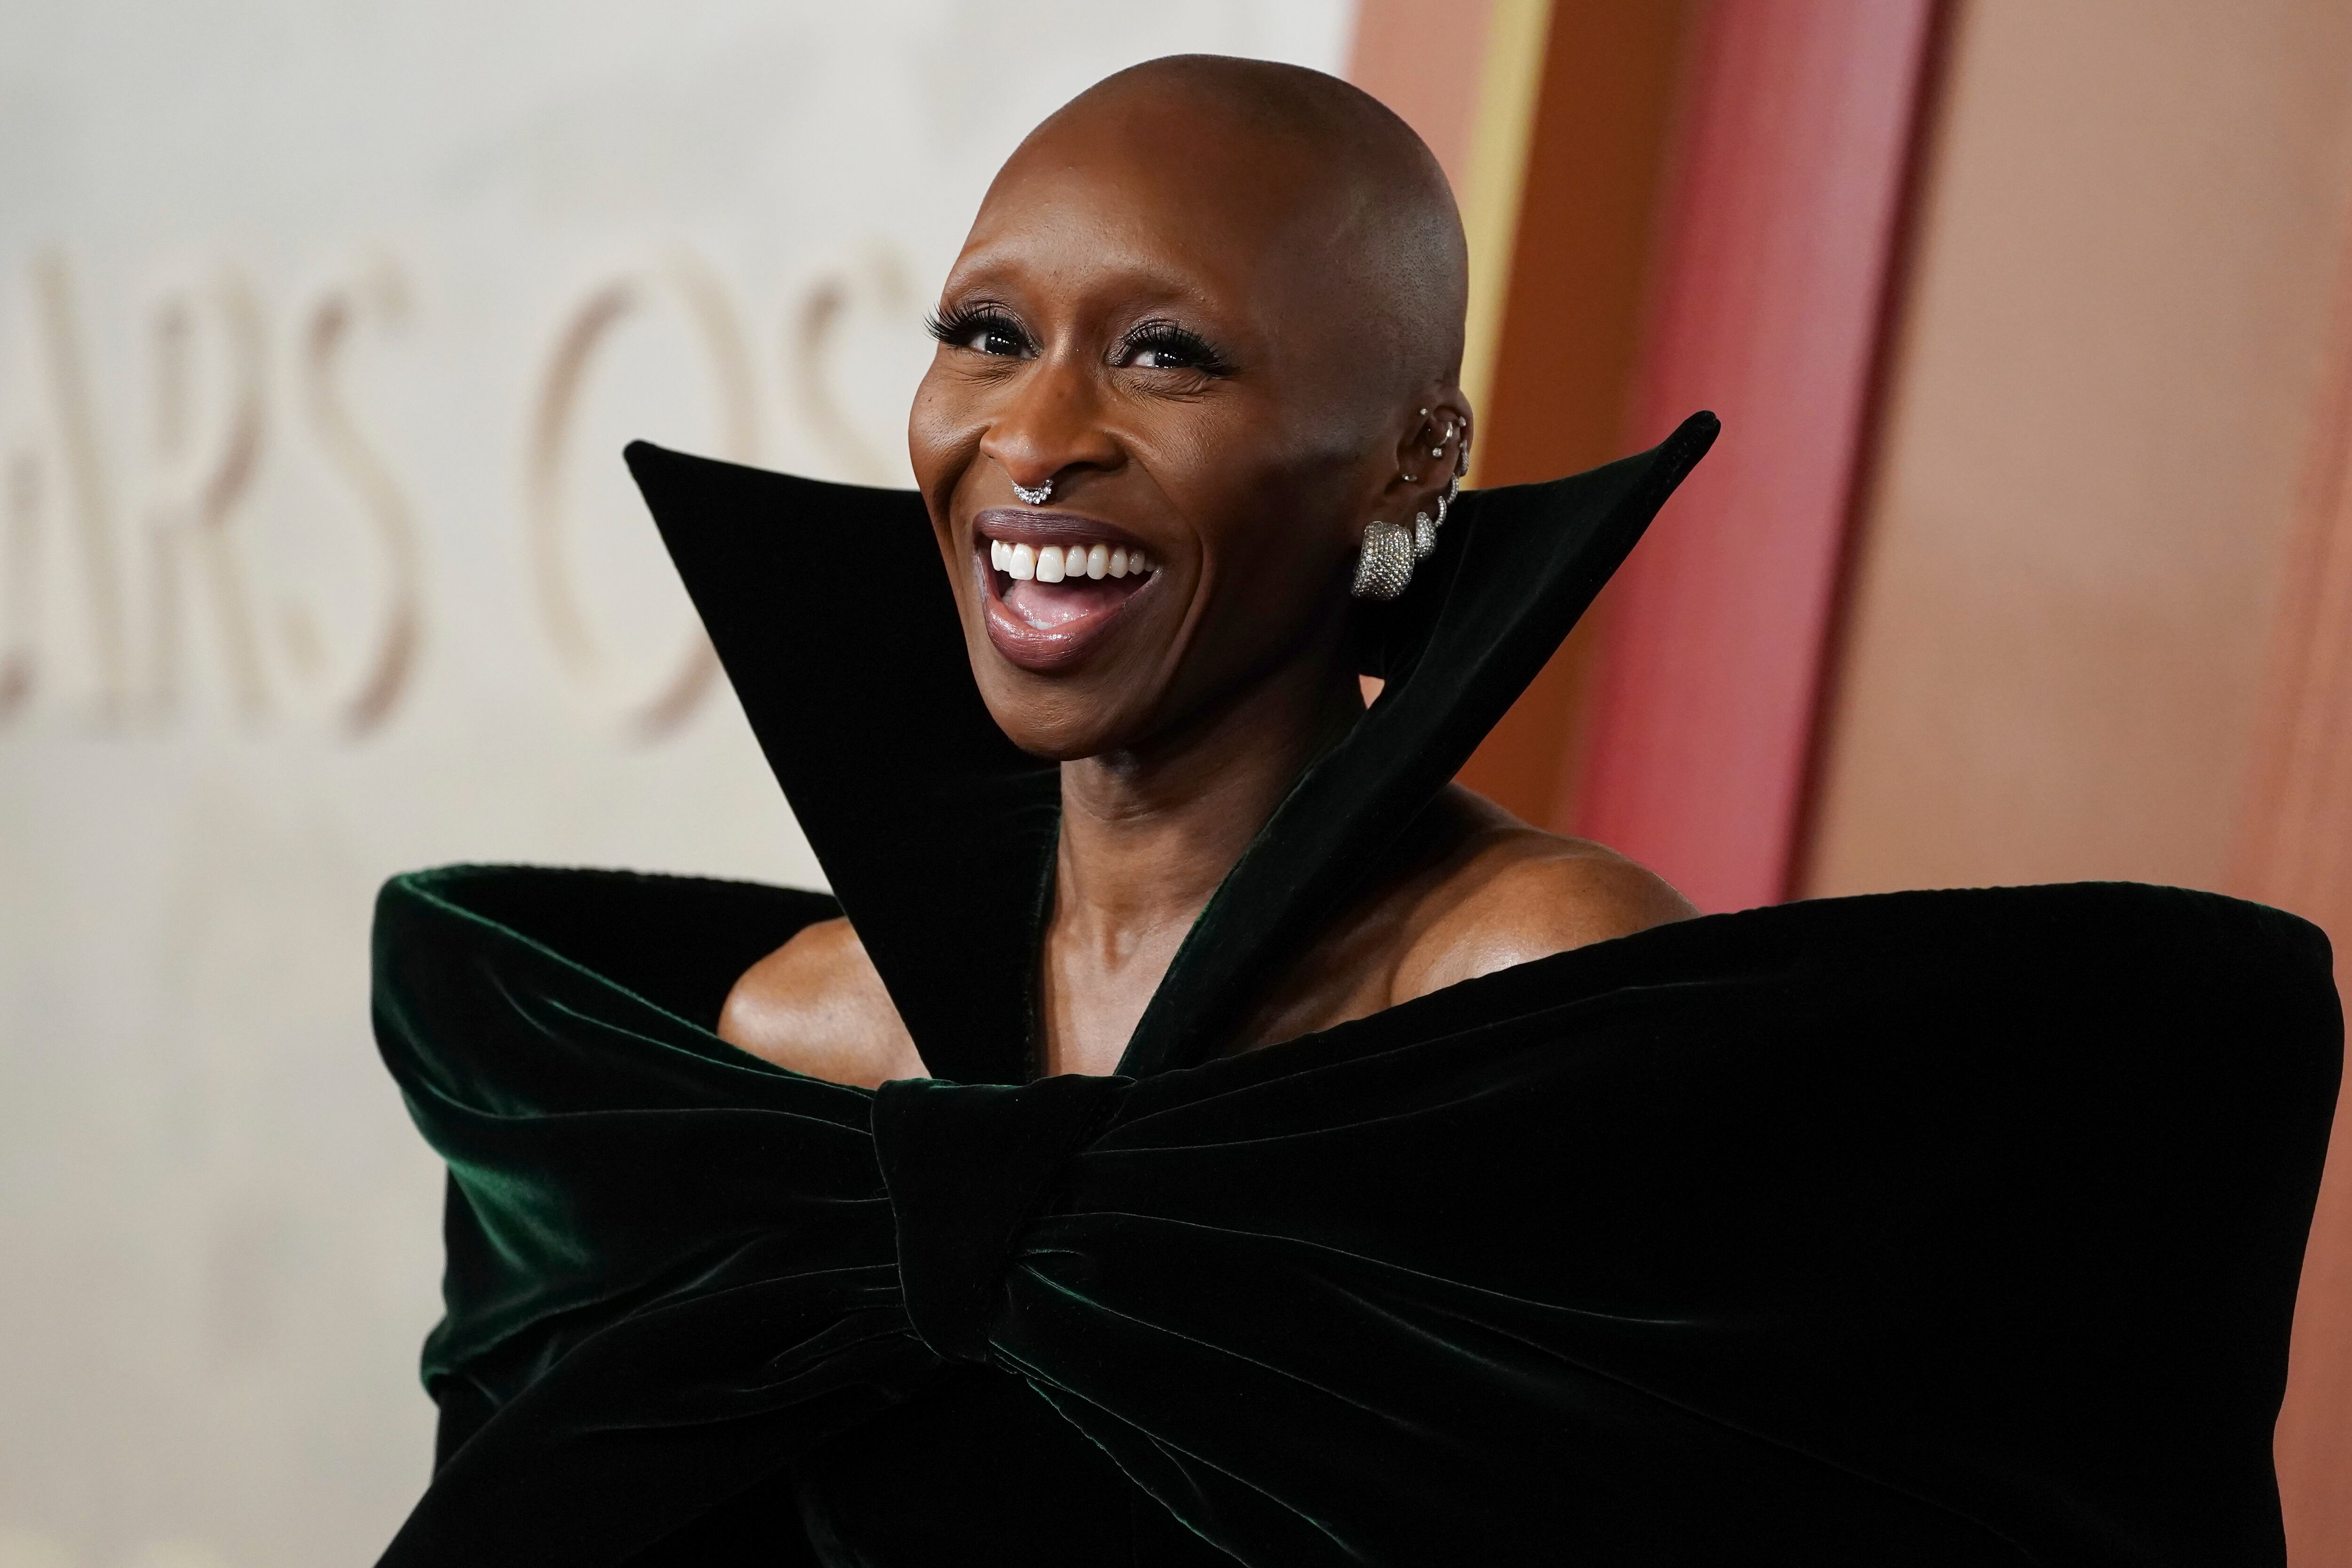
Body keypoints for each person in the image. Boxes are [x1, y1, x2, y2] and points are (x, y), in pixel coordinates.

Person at [370, 56, 2339, 1567]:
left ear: (1411, 452)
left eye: (1164, 355)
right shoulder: (793, 1041)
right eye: (983, 334)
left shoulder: (1525, 997)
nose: (1032, 437)